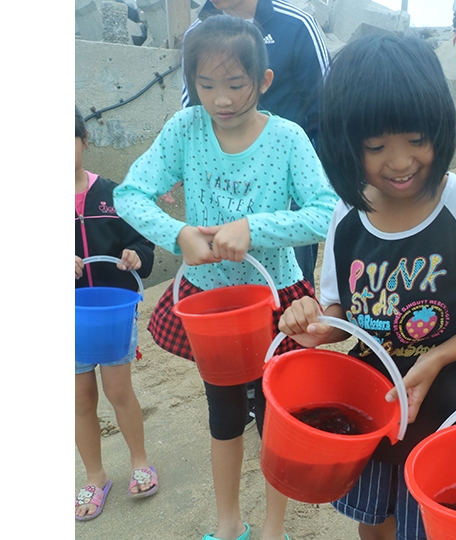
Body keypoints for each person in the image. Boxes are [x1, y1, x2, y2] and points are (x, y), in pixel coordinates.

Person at [278, 34, 456, 540]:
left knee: (430, 524)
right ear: (347, 143)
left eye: (417, 140)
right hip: (369, 412)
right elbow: (340, 312)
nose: (399, 162)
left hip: (444, 410)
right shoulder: (346, 216)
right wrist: (313, 322)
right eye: (376, 147)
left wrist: (436, 357)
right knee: (374, 520)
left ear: (440, 126)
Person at [114, 15, 338, 540]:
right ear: (190, 83)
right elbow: (129, 193)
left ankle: (273, 530)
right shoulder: (184, 130)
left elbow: (326, 211)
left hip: (275, 300)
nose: (221, 99)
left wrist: (254, 227)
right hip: (211, 306)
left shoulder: (287, 138)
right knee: (223, 412)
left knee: (275, 417)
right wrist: (179, 235)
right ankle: (227, 523)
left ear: (263, 82)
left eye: (236, 85)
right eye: (206, 85)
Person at [175, 0, 331, 291]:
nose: (223, 98)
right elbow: (192, 111)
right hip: (220, 186)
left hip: (285, 187)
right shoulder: (198, 32)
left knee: (283, 287)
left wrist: (315, 180)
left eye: (235, 85)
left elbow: (328, 108)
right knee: (221, 289)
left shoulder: (296, 24)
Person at [75, 106, 158, 521]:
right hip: (68, 320)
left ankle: (140, 462)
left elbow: (144, 243)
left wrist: (136, 256)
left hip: (113, 314)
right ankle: (94, 477)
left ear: (85, 141)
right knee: (79, 399)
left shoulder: (112, 194)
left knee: (119, 391)